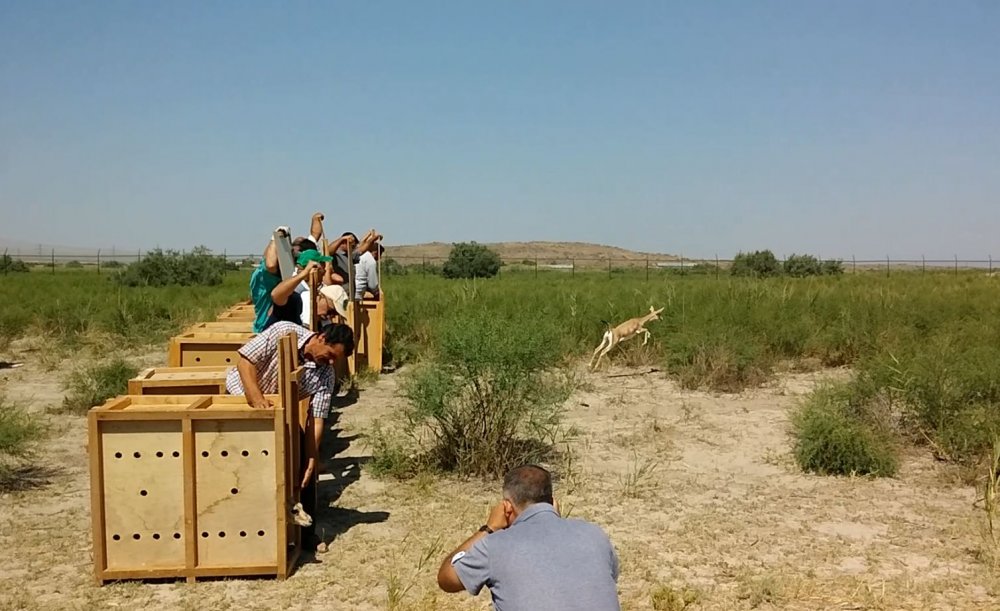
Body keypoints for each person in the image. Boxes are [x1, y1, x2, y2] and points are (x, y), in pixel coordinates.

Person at [437, 465, 621, 611]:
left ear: (507, 508)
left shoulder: (495, 546)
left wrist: (489, 528)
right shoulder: (594, 534)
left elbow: (447, 578)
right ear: (554, 502)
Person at [225, 320, 354, 489]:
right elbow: (245, 362)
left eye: (335, 360)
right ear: (322, 338)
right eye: (330, 355)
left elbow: (316, 419)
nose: (330, 362)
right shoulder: (283, 331)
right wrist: (257, 400)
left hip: (275, 411)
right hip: (239, 397)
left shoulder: (326, 375)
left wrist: (311, 457)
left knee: (294, 454)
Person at [249, 213, 326, 333]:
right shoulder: (274, 275)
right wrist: (276, 237)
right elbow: (270, 265)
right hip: (268, 328)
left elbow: (314, 236)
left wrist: (315, 219)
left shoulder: (303, 257)